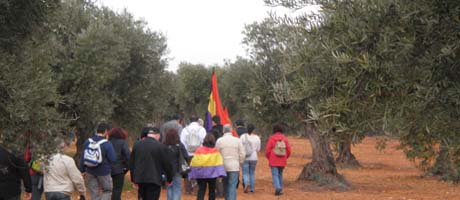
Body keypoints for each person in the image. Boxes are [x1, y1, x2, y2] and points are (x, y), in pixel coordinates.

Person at [129, 127, 173, 200]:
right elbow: (167, 165)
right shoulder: (160, 146)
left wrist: (133, 179)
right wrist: (169, 179)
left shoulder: (137, 144)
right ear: (158, 135)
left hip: (140, 179)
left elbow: (132, 163)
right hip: (154, 179)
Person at [79, 122, 117, 200]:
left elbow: (82, 157)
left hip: (90, 171)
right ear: (106, 131)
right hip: (104, 172)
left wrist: (82, 170)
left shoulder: (88, 141)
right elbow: (113, 159)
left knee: (94, 193)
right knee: (107, 191)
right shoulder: (107, 144)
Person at [189, 133, 226, 200]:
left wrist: (192, 171)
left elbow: (194, 162)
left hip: (201, 174)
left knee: (201, 190)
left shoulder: (199, 150)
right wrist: (220, 173)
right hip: (212, 174)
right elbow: (219, 162)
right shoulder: (215, 151)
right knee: (212, 191)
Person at [216, 124, 245, 200]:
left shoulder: (219, 141)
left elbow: (216, 154)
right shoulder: (237, 140)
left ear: (223, 131)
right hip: (234, 166)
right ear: (231, 130)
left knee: (225, 185)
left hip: (223, 167)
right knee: (232, 186)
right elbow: (242, 154)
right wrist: (239, 162)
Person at [180, 115, 207, 194]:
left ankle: (188, 190)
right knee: (198, 171)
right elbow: (204, 141)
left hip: (188, 154)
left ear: (190, 120)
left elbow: (182, 142)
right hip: (199, 154)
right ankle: (196, 189)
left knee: (188, 170)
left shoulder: (185, 129)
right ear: (197, 120)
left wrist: (185, 152)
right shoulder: (202, 129)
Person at [265, 123, 291, 196]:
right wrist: (286, 157)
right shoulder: (285, 139)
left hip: (273, 159)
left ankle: (278, 188)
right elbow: (289, 150)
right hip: (282, 159)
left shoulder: (272, 138)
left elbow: (267, 150)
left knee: (275, 174)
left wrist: (269, 157)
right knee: (280, 174)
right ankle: (280, 189)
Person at [163, 128, 189, 200]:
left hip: (166, 170)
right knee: (177, 188)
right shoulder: (180, 145)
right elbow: (186, 156)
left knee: (169, 187)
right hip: (177, 170)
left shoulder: (164, 145)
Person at [108, 128, 130, 200]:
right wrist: (126, 168)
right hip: (119, 169)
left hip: (107, 169)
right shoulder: (123, 142)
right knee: (117, 190)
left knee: (107, 190)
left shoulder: (108, 142)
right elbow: (128, 156)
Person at [240, 124, 261, 193]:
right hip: (254, 157)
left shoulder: (243, 136)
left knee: (245, 173)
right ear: (253, 130)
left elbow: (240, 147)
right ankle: (252, 188)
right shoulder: (257, 138)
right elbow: (258, 149)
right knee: (252, 173)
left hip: (245, 157)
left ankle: (246, 183)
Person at [210, 115, 224, 197]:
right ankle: (223, 191)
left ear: (214, 122)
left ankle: (219, 192)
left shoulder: (212, 131)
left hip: (215, 153)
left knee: (215, 173)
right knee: (221, 173)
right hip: (223, 153)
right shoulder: (223, 129)